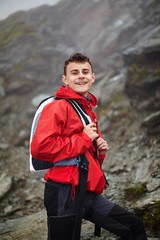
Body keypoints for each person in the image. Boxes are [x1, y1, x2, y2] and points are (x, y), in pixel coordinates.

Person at [31, 52, 147, 240]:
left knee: (133, 226)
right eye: (74, 72)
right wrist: (85, 139)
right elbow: (41, 147)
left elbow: (81, 155)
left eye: (85, 71)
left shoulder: (86, 110)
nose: (81, 76)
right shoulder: (58, 107)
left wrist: (99, 152)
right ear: (65, 79)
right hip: (63, 192)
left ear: (93, 77)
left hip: (85, 192)